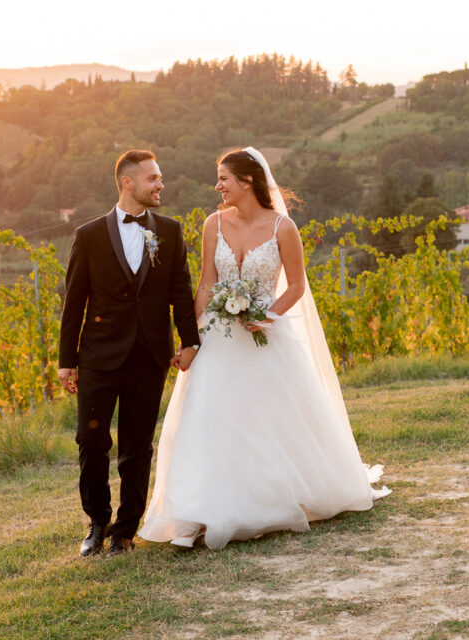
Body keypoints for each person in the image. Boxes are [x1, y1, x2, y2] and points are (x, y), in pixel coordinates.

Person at [138, 147, 390, 550]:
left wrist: (267, 315)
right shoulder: (212, 224)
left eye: (223, 178)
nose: (217, 186)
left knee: (267, 419)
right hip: (218, 337)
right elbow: (205, 283)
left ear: (247, 181)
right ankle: (193, 512)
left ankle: (266, 499)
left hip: (263, 336)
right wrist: (191, 340)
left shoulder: (283, 228)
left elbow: (296, 285)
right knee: (205, 419)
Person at [58, 149, 201, 558]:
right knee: (91, 440)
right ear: (127, 182)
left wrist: (189, 342)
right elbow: (74, 302)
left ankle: (125, 530)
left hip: (148, 356)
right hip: (98, 356)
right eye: (153, 178)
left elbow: (179, 292)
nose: (160, 185)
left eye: (160, 178)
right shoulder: (88, 235)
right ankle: (97, 523)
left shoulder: (171, 232)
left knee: (138, 446)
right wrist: (68, 360)